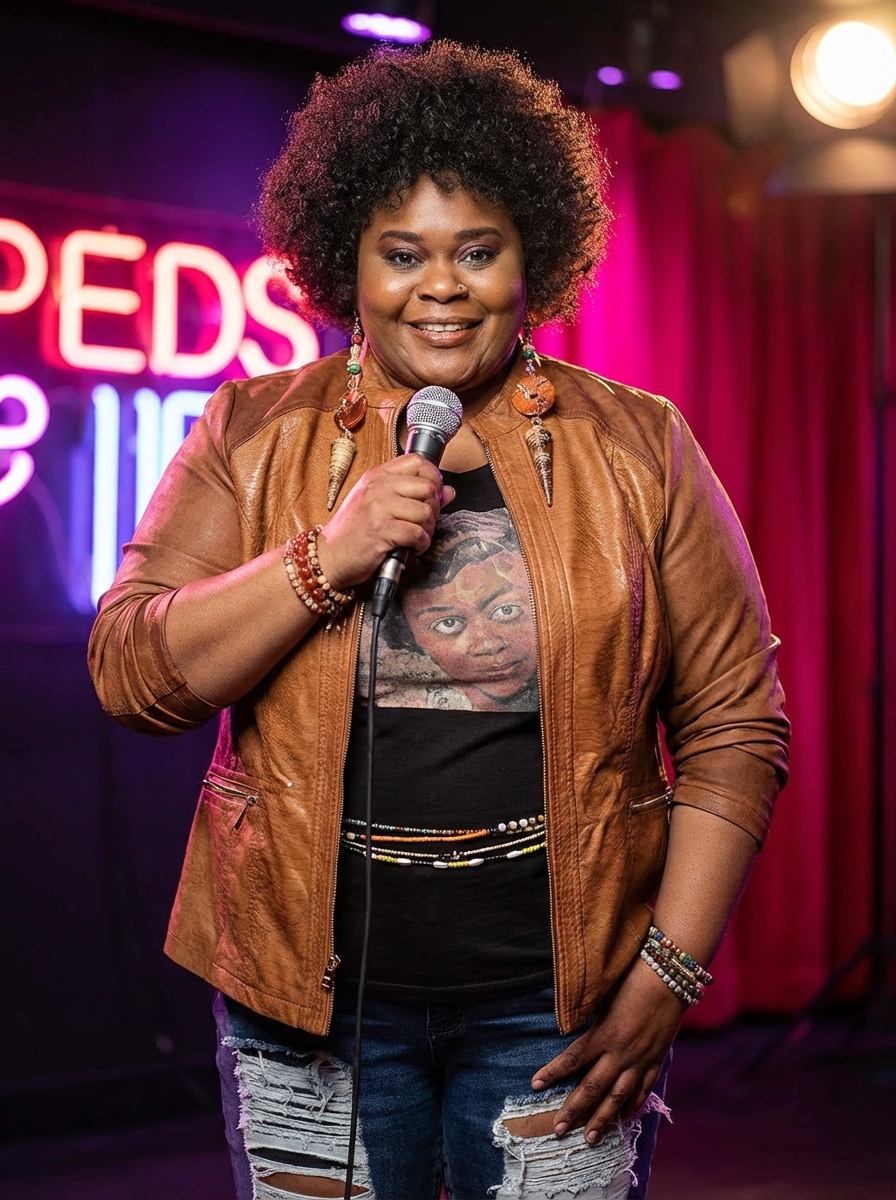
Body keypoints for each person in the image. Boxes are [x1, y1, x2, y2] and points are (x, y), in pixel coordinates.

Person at [88, 40, 789, 1200]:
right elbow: (132, 675)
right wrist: (323, 557)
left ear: (532, 259)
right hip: (305, 1015)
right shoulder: (250, 431)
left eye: (477, 250)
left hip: (553, 1013)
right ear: (346, 262)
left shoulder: (640, 447)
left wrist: (664, 975)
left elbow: (733, 728)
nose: (441, 287)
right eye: (402, 253)